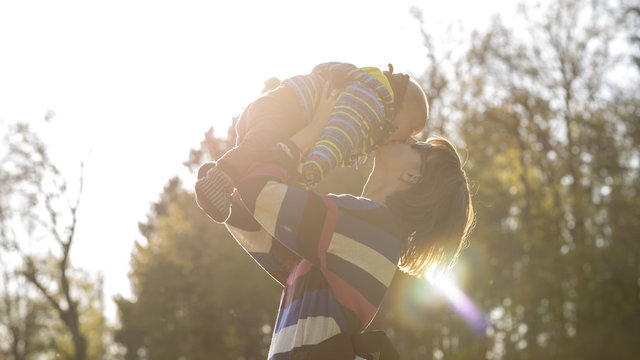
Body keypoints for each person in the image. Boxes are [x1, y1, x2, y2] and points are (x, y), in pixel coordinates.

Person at [194, 83, 475, 359]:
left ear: (413, 177)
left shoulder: (373, 228)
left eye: (420, 149)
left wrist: (306, 133)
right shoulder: (367, 233)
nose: (411, 139)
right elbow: (272, 247)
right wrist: (230, 190)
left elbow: (259, 192)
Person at [195, 62, 428, 223]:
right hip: (286, 111)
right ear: (401, 110)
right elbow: (334, 142)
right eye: (411, 130)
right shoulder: (370, 107)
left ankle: (222, 180)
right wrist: (307, 177)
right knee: (255, 148)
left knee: (254, 157)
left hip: (274, 110)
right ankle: (220, 177)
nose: (409, 139)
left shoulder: (369, 103)